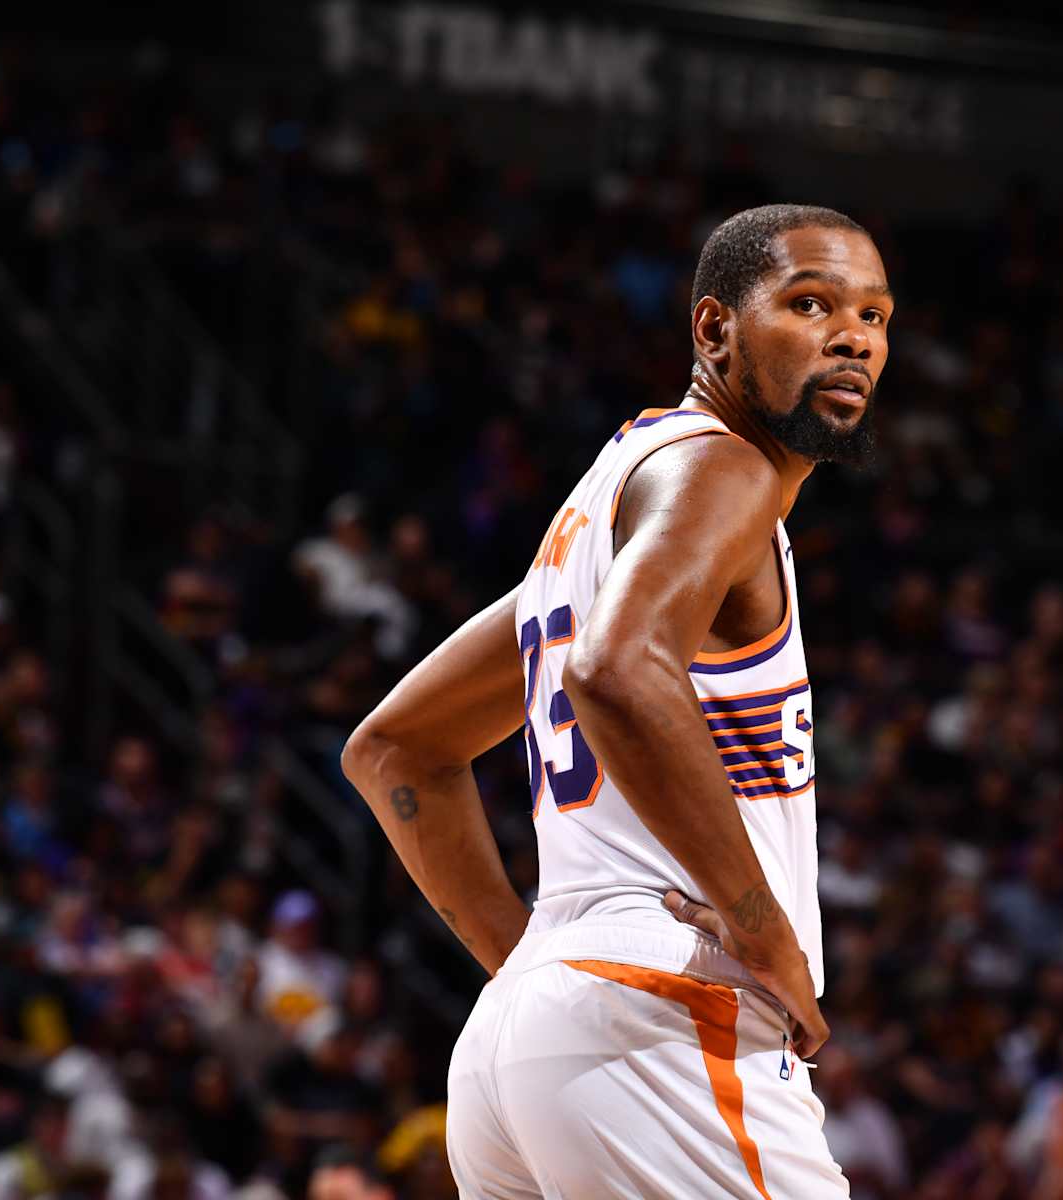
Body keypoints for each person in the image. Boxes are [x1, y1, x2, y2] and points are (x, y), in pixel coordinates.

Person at [345, 204, 892, 1198]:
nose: (854, 335)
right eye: (811, 303)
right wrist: (767, 931)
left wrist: (532, 969)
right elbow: (615, 670)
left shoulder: (600, 515)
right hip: (663, 1015)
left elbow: (396, 749)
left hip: (526, 1043)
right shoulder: (723, 468)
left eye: (875, 316)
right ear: (715, 329)